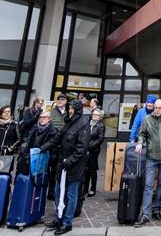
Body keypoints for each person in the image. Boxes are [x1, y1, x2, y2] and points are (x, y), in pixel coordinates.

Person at [45, 99, 89, 235]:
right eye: (69, 108)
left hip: (74, 166)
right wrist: (41, 148)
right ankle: (59, 217)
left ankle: (67, 222)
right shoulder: (68, 122)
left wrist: (69, 161)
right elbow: (57, 138)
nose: (70, 111)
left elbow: (82, 148)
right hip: (62, 164)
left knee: (70, 194)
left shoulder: (83, 123)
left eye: (72, 108)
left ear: (78, 109)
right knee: (58, 192)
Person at [134, 98, 161, 226]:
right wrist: (140, 143)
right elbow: (142, 134)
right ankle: (146, 214)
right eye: (156, 107)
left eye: (160, 108)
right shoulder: (147, 119)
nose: (157, 110)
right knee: (148, 184)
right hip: (151, 156)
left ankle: (157, 209)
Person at [18, 110, 59, 176]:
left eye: (44, 117)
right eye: (40, 117)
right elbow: (29, 144)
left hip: (44, 160)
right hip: (32, 158)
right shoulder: (34, 128)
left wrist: (51, 161)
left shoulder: (53, 131)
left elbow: (53, 149)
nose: (42, 119)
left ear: (49, 119)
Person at [85, 108, 105, 197]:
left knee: (92, 170)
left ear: (100, 117)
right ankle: (85, 188)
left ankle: (93, 189)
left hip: (94, 150)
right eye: (93, 114)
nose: (94, 116)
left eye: (96, 115)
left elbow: (100, 139)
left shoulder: (100, 126)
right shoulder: (87, 124)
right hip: (85, 150)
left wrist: (91, 146)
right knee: (85, 169)